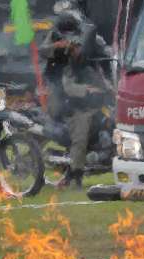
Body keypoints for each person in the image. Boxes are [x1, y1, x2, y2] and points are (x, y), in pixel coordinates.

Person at [59, 38, 109, 189]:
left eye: (80, 47)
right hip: (80, 109)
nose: (79, 50)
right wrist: (86, 90)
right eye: (76, 48)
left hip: (98, 105)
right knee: (80, 139)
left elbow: (102, 80)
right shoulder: (69, 66)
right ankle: (76, 175)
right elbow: (68, 87)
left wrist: (110, 88)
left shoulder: (93, 63)